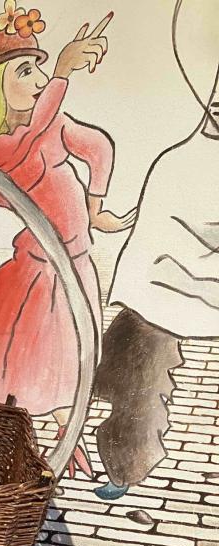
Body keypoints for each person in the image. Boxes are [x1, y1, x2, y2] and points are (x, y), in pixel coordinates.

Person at [0, 5, 134, 478]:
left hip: (75, 262)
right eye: (25, 71)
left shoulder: (48, 122)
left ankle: (65, 439)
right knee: (22, 363)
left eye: (39, 68)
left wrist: (95, 206)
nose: (37, 80)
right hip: (38, 271)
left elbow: (97, 145)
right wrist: (61, 74)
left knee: (70, 357)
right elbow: (25, 144)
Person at [92, 64, 219, 503]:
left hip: (194, 293)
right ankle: (125, 467)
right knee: (127, 375)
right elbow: (153, 240)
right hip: (154, 297)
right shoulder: (178, 159)